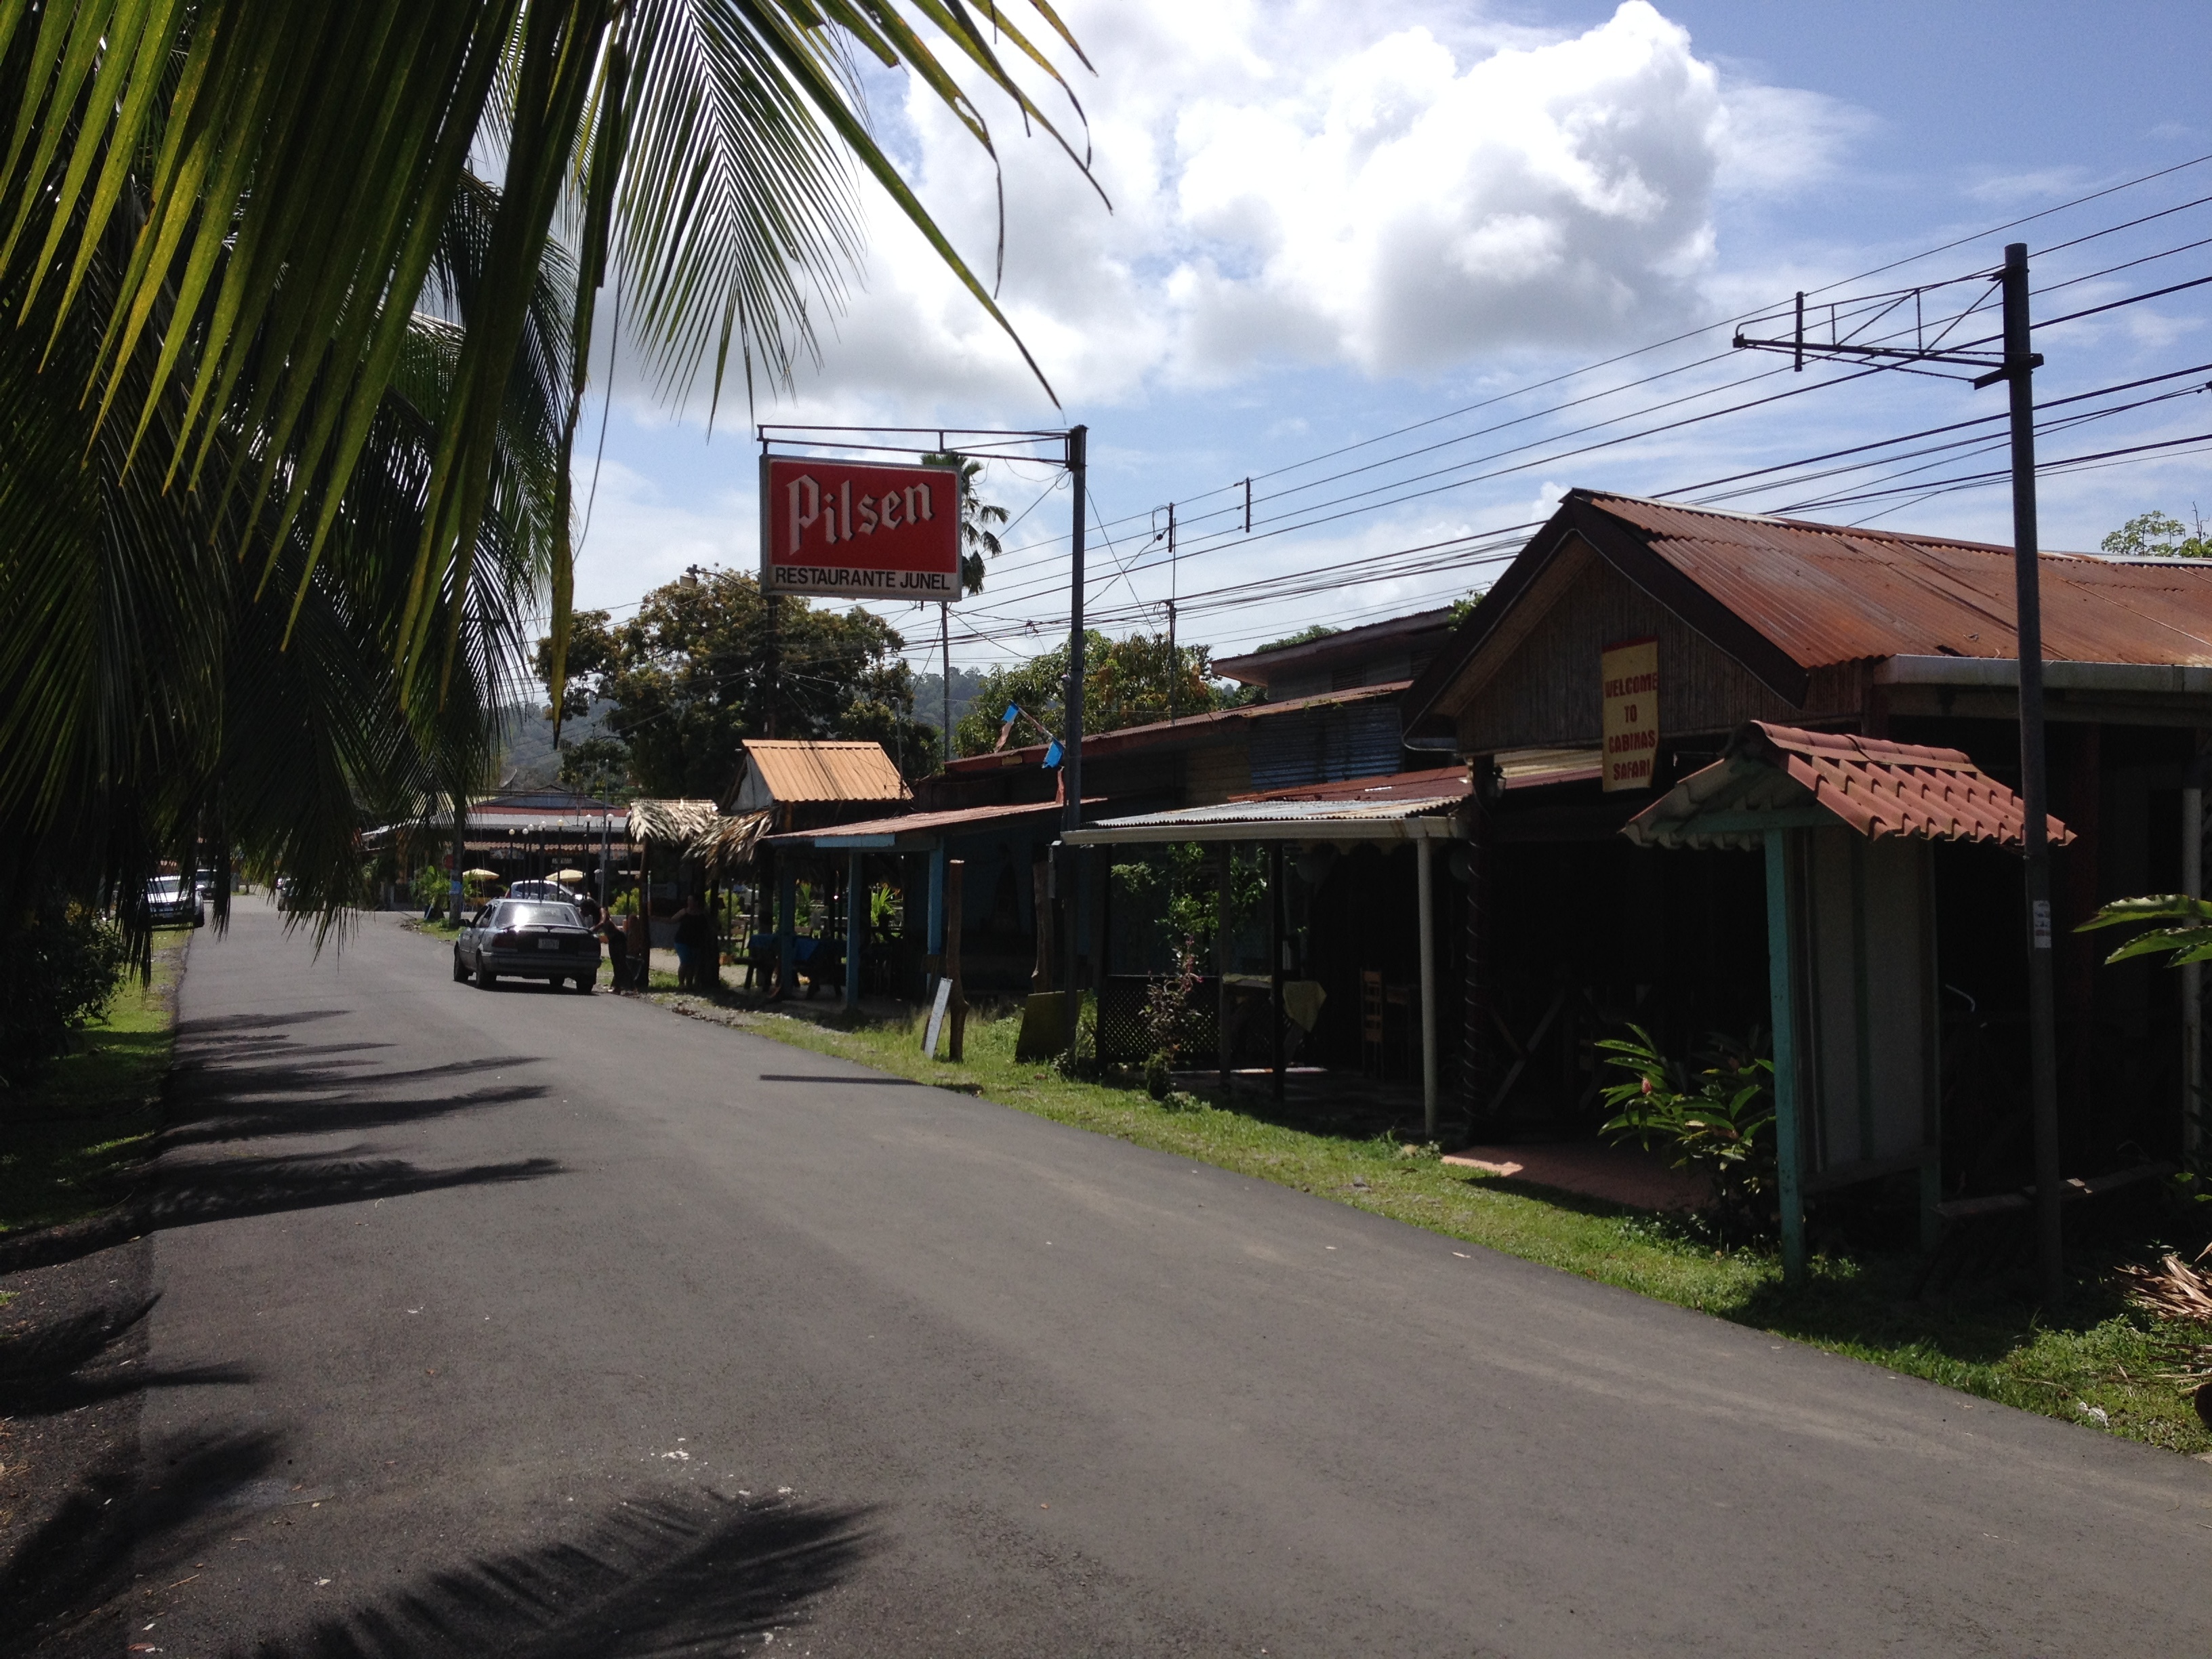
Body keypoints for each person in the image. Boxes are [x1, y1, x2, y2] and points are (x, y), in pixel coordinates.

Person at [672, 893, 714, 993]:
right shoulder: (684, 912)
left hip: (696, 942)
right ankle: (681, 984)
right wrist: (656, 919)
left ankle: (689, 985)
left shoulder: (703, 914)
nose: (688, 903)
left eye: (690, 901)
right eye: (688, 901)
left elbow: (710, 926)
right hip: (682, 941)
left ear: (696, 902)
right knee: (685, 961)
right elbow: (672, 920)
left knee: (692, 964)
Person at [597, 906, 627, 993]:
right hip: (613, 940)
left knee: (619, 963)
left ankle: (619, 986)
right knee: (616, 963)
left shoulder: (607, 922)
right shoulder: (605, 922)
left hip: (618, 939)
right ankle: (617, 985)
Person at [623, 907, 650, 990]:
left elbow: (638, 946)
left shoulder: (638, 933)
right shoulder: (629, 933)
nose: (630, 923)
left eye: (632, 921)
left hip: (635, 956)